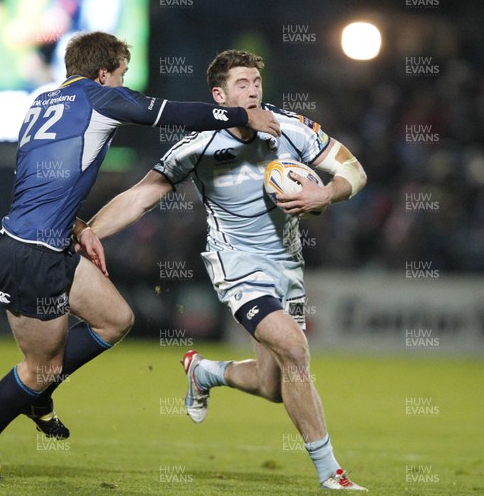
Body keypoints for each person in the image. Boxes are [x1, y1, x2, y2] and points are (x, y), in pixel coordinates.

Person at [0, 33, 280, 479]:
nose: (125, 84)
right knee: (39, 368)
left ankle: (39, 394)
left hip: (50, 241)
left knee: (115, 319)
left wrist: (79, 226)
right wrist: (245, 115)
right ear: (103, 74)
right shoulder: (98, 97)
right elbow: (173, 113)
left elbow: (40, 180)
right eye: (122, 74)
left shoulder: (44, 102)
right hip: (30, 252)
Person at [82, 50, 368, 491]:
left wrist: (326, 194)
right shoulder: (199, 144)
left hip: (287, 267)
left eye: (256, 81)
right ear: (219, 95)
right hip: (236, 266)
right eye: (241, 84)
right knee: (294, 348)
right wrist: (90, 233)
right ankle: (332, 472)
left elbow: (352, 169)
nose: (253, 90)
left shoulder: (290, 127)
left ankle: (205, 372)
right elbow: (141, 196)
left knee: (274, 385)